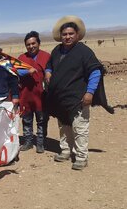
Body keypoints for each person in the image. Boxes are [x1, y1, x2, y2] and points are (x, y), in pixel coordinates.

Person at [45, 16, 112, 170]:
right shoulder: (57, 50)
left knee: (80, 128)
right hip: (61, 99)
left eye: (70, 34)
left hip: (78, 98)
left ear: (77, 35)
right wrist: (48, 72)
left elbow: (95, 71)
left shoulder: (84, 51)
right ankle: (66, 150)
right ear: (60, 36)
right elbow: (50, 65)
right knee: (64, 126)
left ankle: (81, 156)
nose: (67, 37)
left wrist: (89, 93)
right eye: (64, 34)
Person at [18, 31, 51, 153]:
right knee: (26, 119)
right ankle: (28, 141)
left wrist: (48, 72)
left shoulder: (46, 56)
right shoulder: (22, 58)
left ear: (39, 43)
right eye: (28, 44)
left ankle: (41, 142)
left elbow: (50, 68)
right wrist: (27, 71)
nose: (31, 46)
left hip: (41, 94)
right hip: (26, 94)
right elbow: (15, 71)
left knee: (42, 119)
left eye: (33, 43)